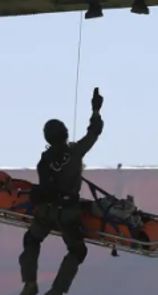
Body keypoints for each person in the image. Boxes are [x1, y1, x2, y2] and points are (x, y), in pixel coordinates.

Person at [19, 88, 105, 295]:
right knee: (77, 250)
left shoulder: (44, 160)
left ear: (47, 138)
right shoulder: (76, 152)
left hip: (46, 211)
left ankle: (30, 285)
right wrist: (95, 110)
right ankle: (57, 291)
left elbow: (46, 186)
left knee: (32, 240)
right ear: (65, 133)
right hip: (67, 213)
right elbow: (94, 132)